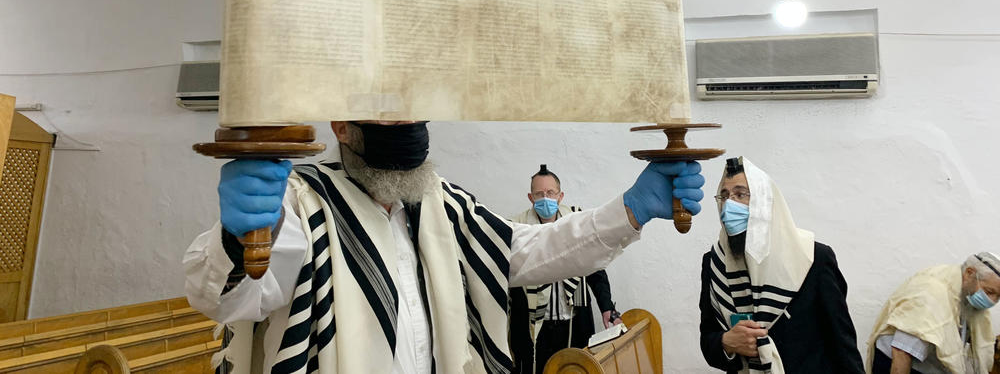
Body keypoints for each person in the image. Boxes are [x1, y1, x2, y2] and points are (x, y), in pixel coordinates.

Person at [184, 120, 705, 374]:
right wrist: (244, 233)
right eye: (390, 112)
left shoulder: (438, 202)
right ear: (343, 125)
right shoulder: (300, 202)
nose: (408, 128)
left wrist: (629, 211)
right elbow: (234, 298)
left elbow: (525, 252)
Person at [698, 157, 865, 374]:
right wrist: (727, 342)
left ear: (764, 202)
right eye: (724, 196)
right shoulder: (714, 263)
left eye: (740, 195)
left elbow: (842, 343)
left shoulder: (812, 258)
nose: (729, 205)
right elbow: (708, 339)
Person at [508, 164, 623, 374]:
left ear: (560, 196)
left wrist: (607, 307)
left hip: (573, 322)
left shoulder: (576, 222)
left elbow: (595, 269)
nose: (545, 198)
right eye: (539, 194)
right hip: (534, 328)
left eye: (550, 193)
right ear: (530, 197)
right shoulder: (517, 228)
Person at [866, 252, 1000, 374]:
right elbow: (902, 352)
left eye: (998, 296)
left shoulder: (966, 292)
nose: (992, 301)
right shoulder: (931, 294)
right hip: (898, 366)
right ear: (969, 273)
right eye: (989, 292)